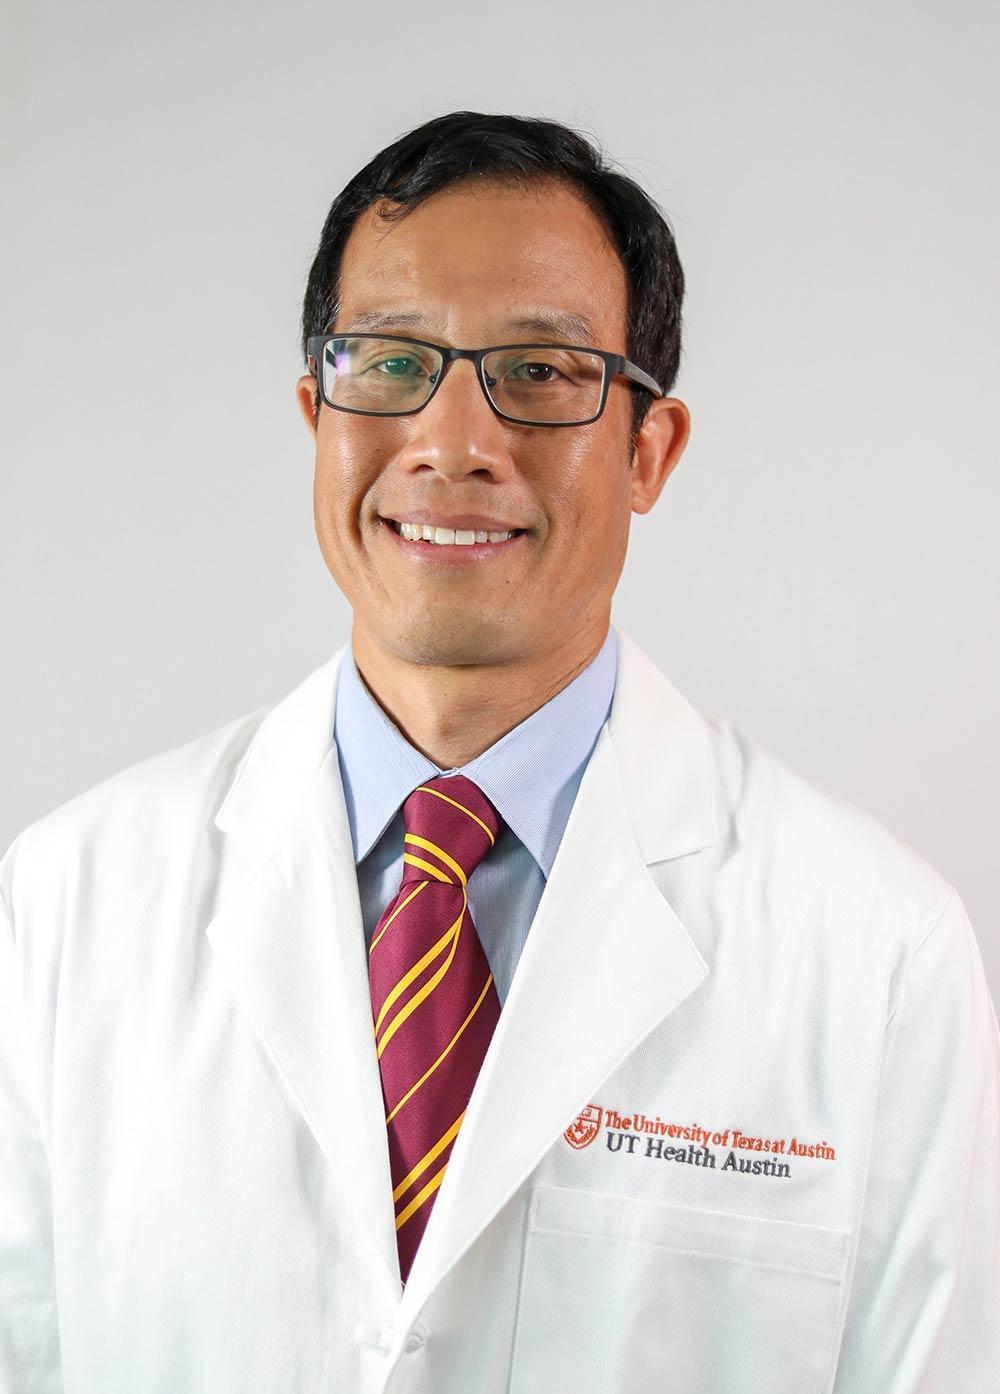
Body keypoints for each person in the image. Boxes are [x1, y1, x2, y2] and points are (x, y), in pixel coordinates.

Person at [1, 111, 997, 1394]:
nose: (453, 442)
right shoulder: (65, 903)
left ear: (648, 450)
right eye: (390, 361)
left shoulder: (877, 951)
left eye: (536, 371)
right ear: (317, 416)